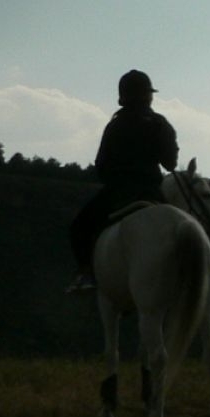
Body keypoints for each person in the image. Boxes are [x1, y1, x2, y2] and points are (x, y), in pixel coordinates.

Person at [66, 70, 179, 293]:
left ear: (124, 96)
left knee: (79, 228)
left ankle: (86, 273)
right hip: (153, 193)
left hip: (118, 193)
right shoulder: (159, 123)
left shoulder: (115, 125)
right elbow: (170, 164)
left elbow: (101, 165)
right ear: (147, 96)